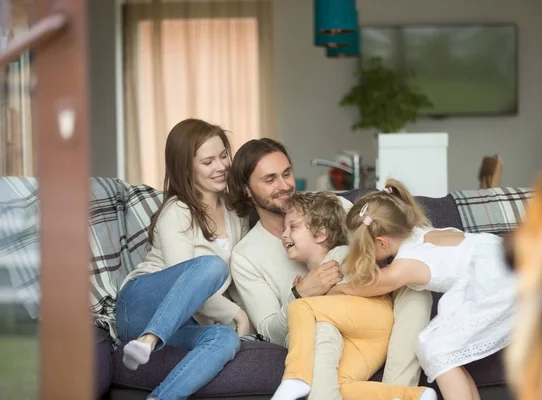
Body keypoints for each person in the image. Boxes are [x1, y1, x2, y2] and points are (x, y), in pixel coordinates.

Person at [228, 138, 431, 399]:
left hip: (369, 312)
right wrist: (300, 294)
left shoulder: (331, 206)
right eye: (270, 180)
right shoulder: (246, 255)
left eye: (287, 173)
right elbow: (268, 332)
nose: (285, 186)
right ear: (247, 189)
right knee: (321, 324)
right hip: (320, 333)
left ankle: (399, 388)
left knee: (416, 289)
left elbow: (384, 241)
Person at [330, 179, 517, 400]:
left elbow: (368, 286)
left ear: (381, 243)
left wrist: (338, 290)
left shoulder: (405, 265)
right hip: (498, 260)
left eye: (361, 248)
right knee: (445, 352)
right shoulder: (419, 233)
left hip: (494, 278)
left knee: (436, 349)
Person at [115, 119, 251, 400]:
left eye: (223, 155)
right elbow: (185, 282)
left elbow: (240, 274)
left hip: (183, 320)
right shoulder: (177, 211)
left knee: (225, 340)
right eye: (208, 161)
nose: (221, 166)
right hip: (139, 304)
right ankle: (149, 338)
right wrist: (237, 315)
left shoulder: (235, 213)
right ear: (186, 167)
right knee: (210, 267)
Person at [271, 192, 436, 400]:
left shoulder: (341, 254)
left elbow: (360, 288)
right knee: (339, 385)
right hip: (365, 343)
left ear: (321, 233)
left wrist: (309, 296)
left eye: (292, 227)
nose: (284, 234)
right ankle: (412, 396)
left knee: (301, 307)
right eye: (284, 228)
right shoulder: (310, 278)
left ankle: (295, 377)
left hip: (374, 318)